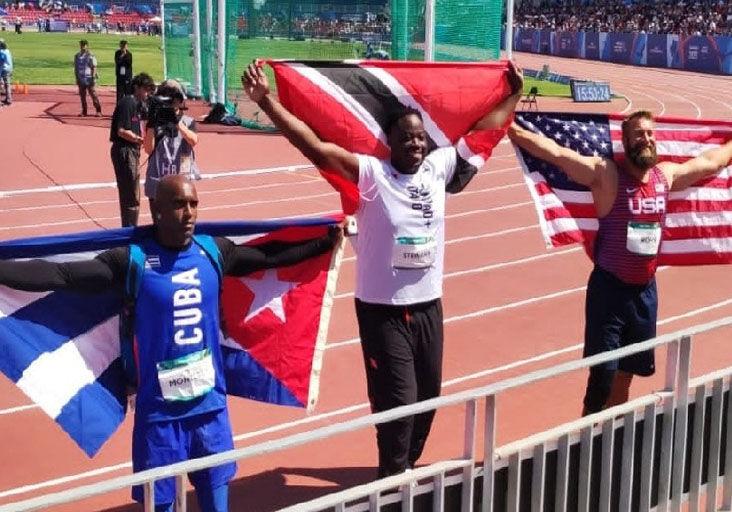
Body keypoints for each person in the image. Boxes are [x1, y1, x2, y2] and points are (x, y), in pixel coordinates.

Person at [242, 60, 524, 477]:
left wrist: (513, 94)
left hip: (429, 306)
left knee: (428, 396)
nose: (414, 144)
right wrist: (266, 101)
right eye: (405, 138)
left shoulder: (438, 168)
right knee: (399, 400)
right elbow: (316, 147)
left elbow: (484, 128)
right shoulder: (373, 175)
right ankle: (391, 483)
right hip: (383, 311)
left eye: (418, 138)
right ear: (389, 142)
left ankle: (405, 467)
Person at [0, 174, 342, 512]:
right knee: (159, 506)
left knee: (216, 504)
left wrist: (324, 242)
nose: (190, 213)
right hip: (160, 419)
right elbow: (62, 276)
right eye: (179, 204)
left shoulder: (214, 251)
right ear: (156, 209)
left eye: (194, 204)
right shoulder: (131, 260)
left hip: (211, 411)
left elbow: (269, 258)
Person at [507, 111, 732, 416]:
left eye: (650, 134)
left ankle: (611, 436)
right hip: (609, 291)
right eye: (639, 134)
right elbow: (557, 154)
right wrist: (511, 129)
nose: (646, 139)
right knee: (602, 375)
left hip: (644, 293)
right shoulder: (607, 175)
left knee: (627, 373)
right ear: (625, 141)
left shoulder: (665, 176)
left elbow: (711, 163)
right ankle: (586, 438)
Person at [110, 72, 156, 227]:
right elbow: (121, 130)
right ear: (136, 88)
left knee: (133, 193)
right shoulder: (128, 102)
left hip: (131, 150)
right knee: (131, 195)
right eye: (146, 90)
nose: (147, 94)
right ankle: (130, 229)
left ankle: (130, 226)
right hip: (125, 150)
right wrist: (139, 139)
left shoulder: (137, 105)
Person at [143, 80, 200, 202]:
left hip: (182, 182)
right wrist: (152, 124)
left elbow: (193, 140)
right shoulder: (154, 124)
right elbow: (148, 149)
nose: (172, 103)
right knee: (159, 220)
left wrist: (176, 122)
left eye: (175, 99)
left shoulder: (188, 122)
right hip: (159, 181)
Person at [74, 39, 102, 117]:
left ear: (87, 46)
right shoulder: (77, 56)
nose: (82, 47)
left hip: (89, 78)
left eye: (84, 45)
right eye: (81, 45)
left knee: (93, 95)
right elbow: (76, 68)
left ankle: (98, 110)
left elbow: (94, 67)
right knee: (82, 96)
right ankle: (84, 111)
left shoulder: (90, 55)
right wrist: (77, 78)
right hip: (81, 78)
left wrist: (93, 77)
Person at [114, 39, 133, 103]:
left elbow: (129, 63)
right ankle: (119, 107)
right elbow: (117, 62)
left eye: (125, 46)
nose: (123, 48)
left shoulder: (129, 54)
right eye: (122, 46)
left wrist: (125, 55)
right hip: (120, 76)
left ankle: (128, 106)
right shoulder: (117, 53)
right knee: (119, 93)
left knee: (127, 92)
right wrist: (122, 56)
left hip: (127, 76)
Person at [0, 39, 12, 106]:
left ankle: (8, 99)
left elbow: (1, 62)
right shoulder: (7, 51)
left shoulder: (1, 52)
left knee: (3, 84)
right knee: (7, 85)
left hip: (3, 69)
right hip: (9, 68)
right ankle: (9, 99)